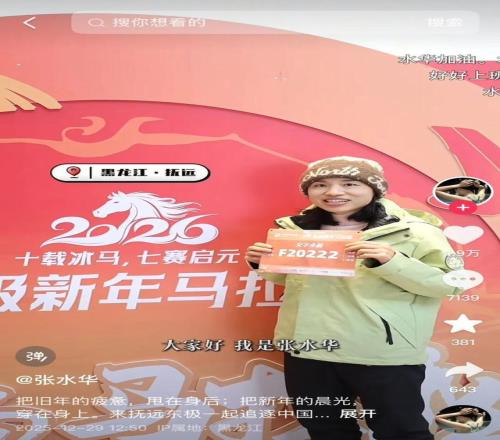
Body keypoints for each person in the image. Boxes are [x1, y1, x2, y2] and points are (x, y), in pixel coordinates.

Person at [245, 156, 463, 440]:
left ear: (375, 188)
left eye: (349, 184)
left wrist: (393, 261)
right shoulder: (296, 231)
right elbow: (294, 281)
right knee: (325, 430)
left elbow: (450, 284)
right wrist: (262, 263)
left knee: (401, 431)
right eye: (320, 185)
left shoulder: (414, 231)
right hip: (309, 349)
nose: (333, 192)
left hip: (380, 351)